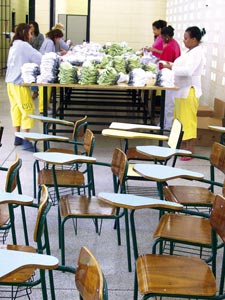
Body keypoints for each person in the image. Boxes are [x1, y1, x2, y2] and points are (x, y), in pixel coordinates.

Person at [163, 26, 206, 158]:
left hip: (189, 91)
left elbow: (188, 71)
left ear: (194, 39)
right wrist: (171, 65)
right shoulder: (190, 52)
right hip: (181, 91)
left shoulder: (197, 53)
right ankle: (181, 146)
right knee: (180, 120)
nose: (184, 41)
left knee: (188, 121)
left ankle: (189, 150)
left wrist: (172, 67)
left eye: (186, 38)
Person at [5, 23, 42, 150]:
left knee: (16, 109)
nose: (32, 36)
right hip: (19, 83)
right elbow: (38, 58)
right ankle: (26, 140)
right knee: (28, 109)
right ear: (24, 32)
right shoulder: (24, 45)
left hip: (10, 82)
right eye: (30, 33)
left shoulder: (14, 45)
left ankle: (17, 136)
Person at [159, 25, 181, 130]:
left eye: (162, 37)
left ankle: (166, 125)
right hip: (172, 78)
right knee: (170, 103)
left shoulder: (169, 47)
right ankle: (167, 124)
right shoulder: (175, 43)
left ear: (166, 36)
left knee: (168, 103)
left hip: (169, 78)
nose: (161, 39)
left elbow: (164, 64)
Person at [39, 28, 64, 114]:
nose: (59, 40)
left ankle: (45, 106)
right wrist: (60, 54)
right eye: (59, 38)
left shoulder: (48, 41)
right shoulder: (49, 42)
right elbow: (49, 55)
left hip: (46, 67)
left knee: (47, 88)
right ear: (55, 36)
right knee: (45, 88)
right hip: (46, 68)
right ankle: (43, 108)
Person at [29, 21, 44, 99]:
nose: (30, 28)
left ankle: (39, 91)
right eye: (29, 27)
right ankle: (35, 91)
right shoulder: (28, 36)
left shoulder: (40, 36)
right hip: (30, 58)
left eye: (32, 26)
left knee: (38, 75)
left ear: (35, 27)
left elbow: (41, 47)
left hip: (37, 57)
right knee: (32, 75)